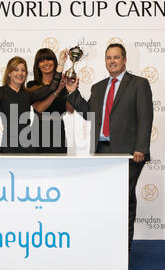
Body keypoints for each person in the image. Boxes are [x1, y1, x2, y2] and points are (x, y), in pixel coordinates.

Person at [65, 43, 153, 251]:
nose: (112, 61)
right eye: (108, 58)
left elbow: (145, 116)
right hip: (102, 151)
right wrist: (72, 92)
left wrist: (141, 147)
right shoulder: (98, 87)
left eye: (116, 57)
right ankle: (106, 245)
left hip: (129, 153)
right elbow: (90, 115)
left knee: (124, 200)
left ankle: (123, 249)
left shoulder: (139, 84)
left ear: (124, 60)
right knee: (105, 199)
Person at [0, 54, 66, 153]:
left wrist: (61, 63)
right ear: (9, 73)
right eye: (16, 70)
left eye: (23, 70)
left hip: (29, 146)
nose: (20, 73)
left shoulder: (28, 95)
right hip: (8, 147)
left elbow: (52, 87)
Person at [26, 48, 74, 153]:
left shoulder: (63, 83)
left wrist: (72, 90)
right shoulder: (32, 85)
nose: (46, 63)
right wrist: (56, 91)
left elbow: (70, 110)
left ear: (54, 62)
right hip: (39, 131)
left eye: (48, 59)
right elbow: (39, 109)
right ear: (37, 65)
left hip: (58, 131)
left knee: (59, 168)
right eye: (41, 61)